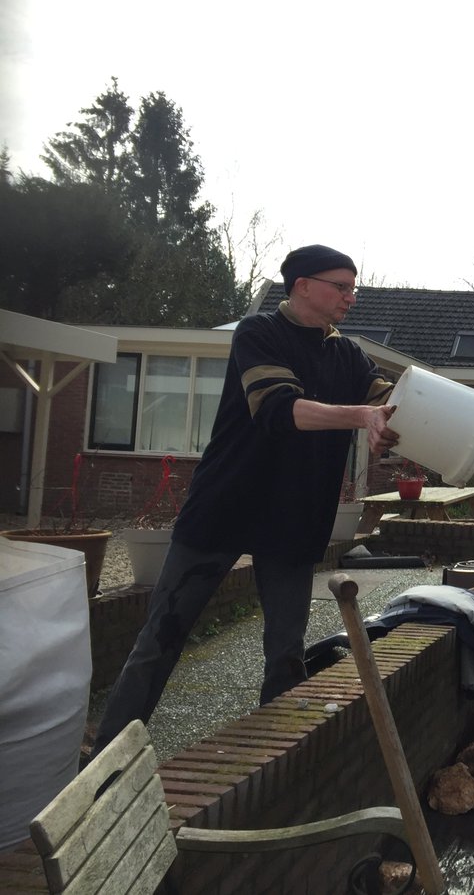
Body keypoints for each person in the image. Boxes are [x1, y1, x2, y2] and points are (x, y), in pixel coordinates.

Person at [91, 244, 399, 757]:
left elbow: (388, 401)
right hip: (225, 507)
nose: (351, 297)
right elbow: (279, 409)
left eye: (353, 288)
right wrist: (362, 417)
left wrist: (412, 417)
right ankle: (109, 760)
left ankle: (270, 761)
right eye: (341, 287)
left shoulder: (346, 354)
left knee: (286, 652)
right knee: (161, 637)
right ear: (303, 285)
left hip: (296, 517)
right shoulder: (258, 333)